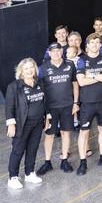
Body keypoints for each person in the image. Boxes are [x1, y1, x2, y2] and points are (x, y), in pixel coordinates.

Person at [75, 33, 102, 175]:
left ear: (100, 45)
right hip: (87, 103)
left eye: (97, 42)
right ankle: (82, 162)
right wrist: (100, 76)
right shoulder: (81, 60)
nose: (95, 45)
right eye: (92, 42)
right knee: (84, 132)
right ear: (87, 45)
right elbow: (81, 81)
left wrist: (91, 75)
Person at [5, 58, 48, 189]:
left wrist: (47, 118)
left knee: (33, 148)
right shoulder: (14, 86)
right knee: (18, 150)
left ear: (35, 69)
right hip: (22, 124)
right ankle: (13, 177)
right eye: (26, 68)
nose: (29, 70)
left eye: (31, 67)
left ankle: (29, 173)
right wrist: (11, 124)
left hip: (38, 122)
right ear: (21, 71)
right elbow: (9, 107)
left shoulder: (40, 83)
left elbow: (45, 102)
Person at [36, 44, 79, 175]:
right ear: (49, 53)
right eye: (53, 51)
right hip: (51, 108)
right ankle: (47, 162)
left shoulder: (70, 65)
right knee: (49, 135)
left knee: (66, 133)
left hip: (67, 106)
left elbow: (75, 85)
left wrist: (76, 103)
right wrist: (43, 111)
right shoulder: (43, 68)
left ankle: (64, 160)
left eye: (58, 51)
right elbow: (39, 91)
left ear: (62, 51)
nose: (55, 53)